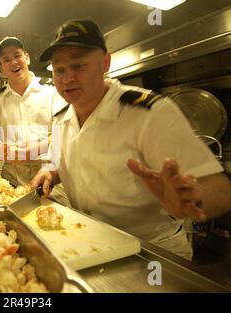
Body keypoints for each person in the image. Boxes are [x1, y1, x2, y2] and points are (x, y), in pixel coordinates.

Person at [31, 19, 231, 260]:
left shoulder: (149, 112)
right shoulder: (63, 117)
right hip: (87, 243)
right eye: (59, 69)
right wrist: (50, 172)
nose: (67, 78)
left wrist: (191, 198)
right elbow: (60, 160)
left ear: (105, 62)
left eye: (78, 66)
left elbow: (221, 191)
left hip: (150, 252)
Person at [0, 37, 68, 206]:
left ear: (27, 58)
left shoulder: (52, 94)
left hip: (50, 177)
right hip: (11, 181)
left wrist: (33, 150)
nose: (13, 62)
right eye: (6, 60)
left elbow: (66, 134)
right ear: (1, 69)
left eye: (17, 55)